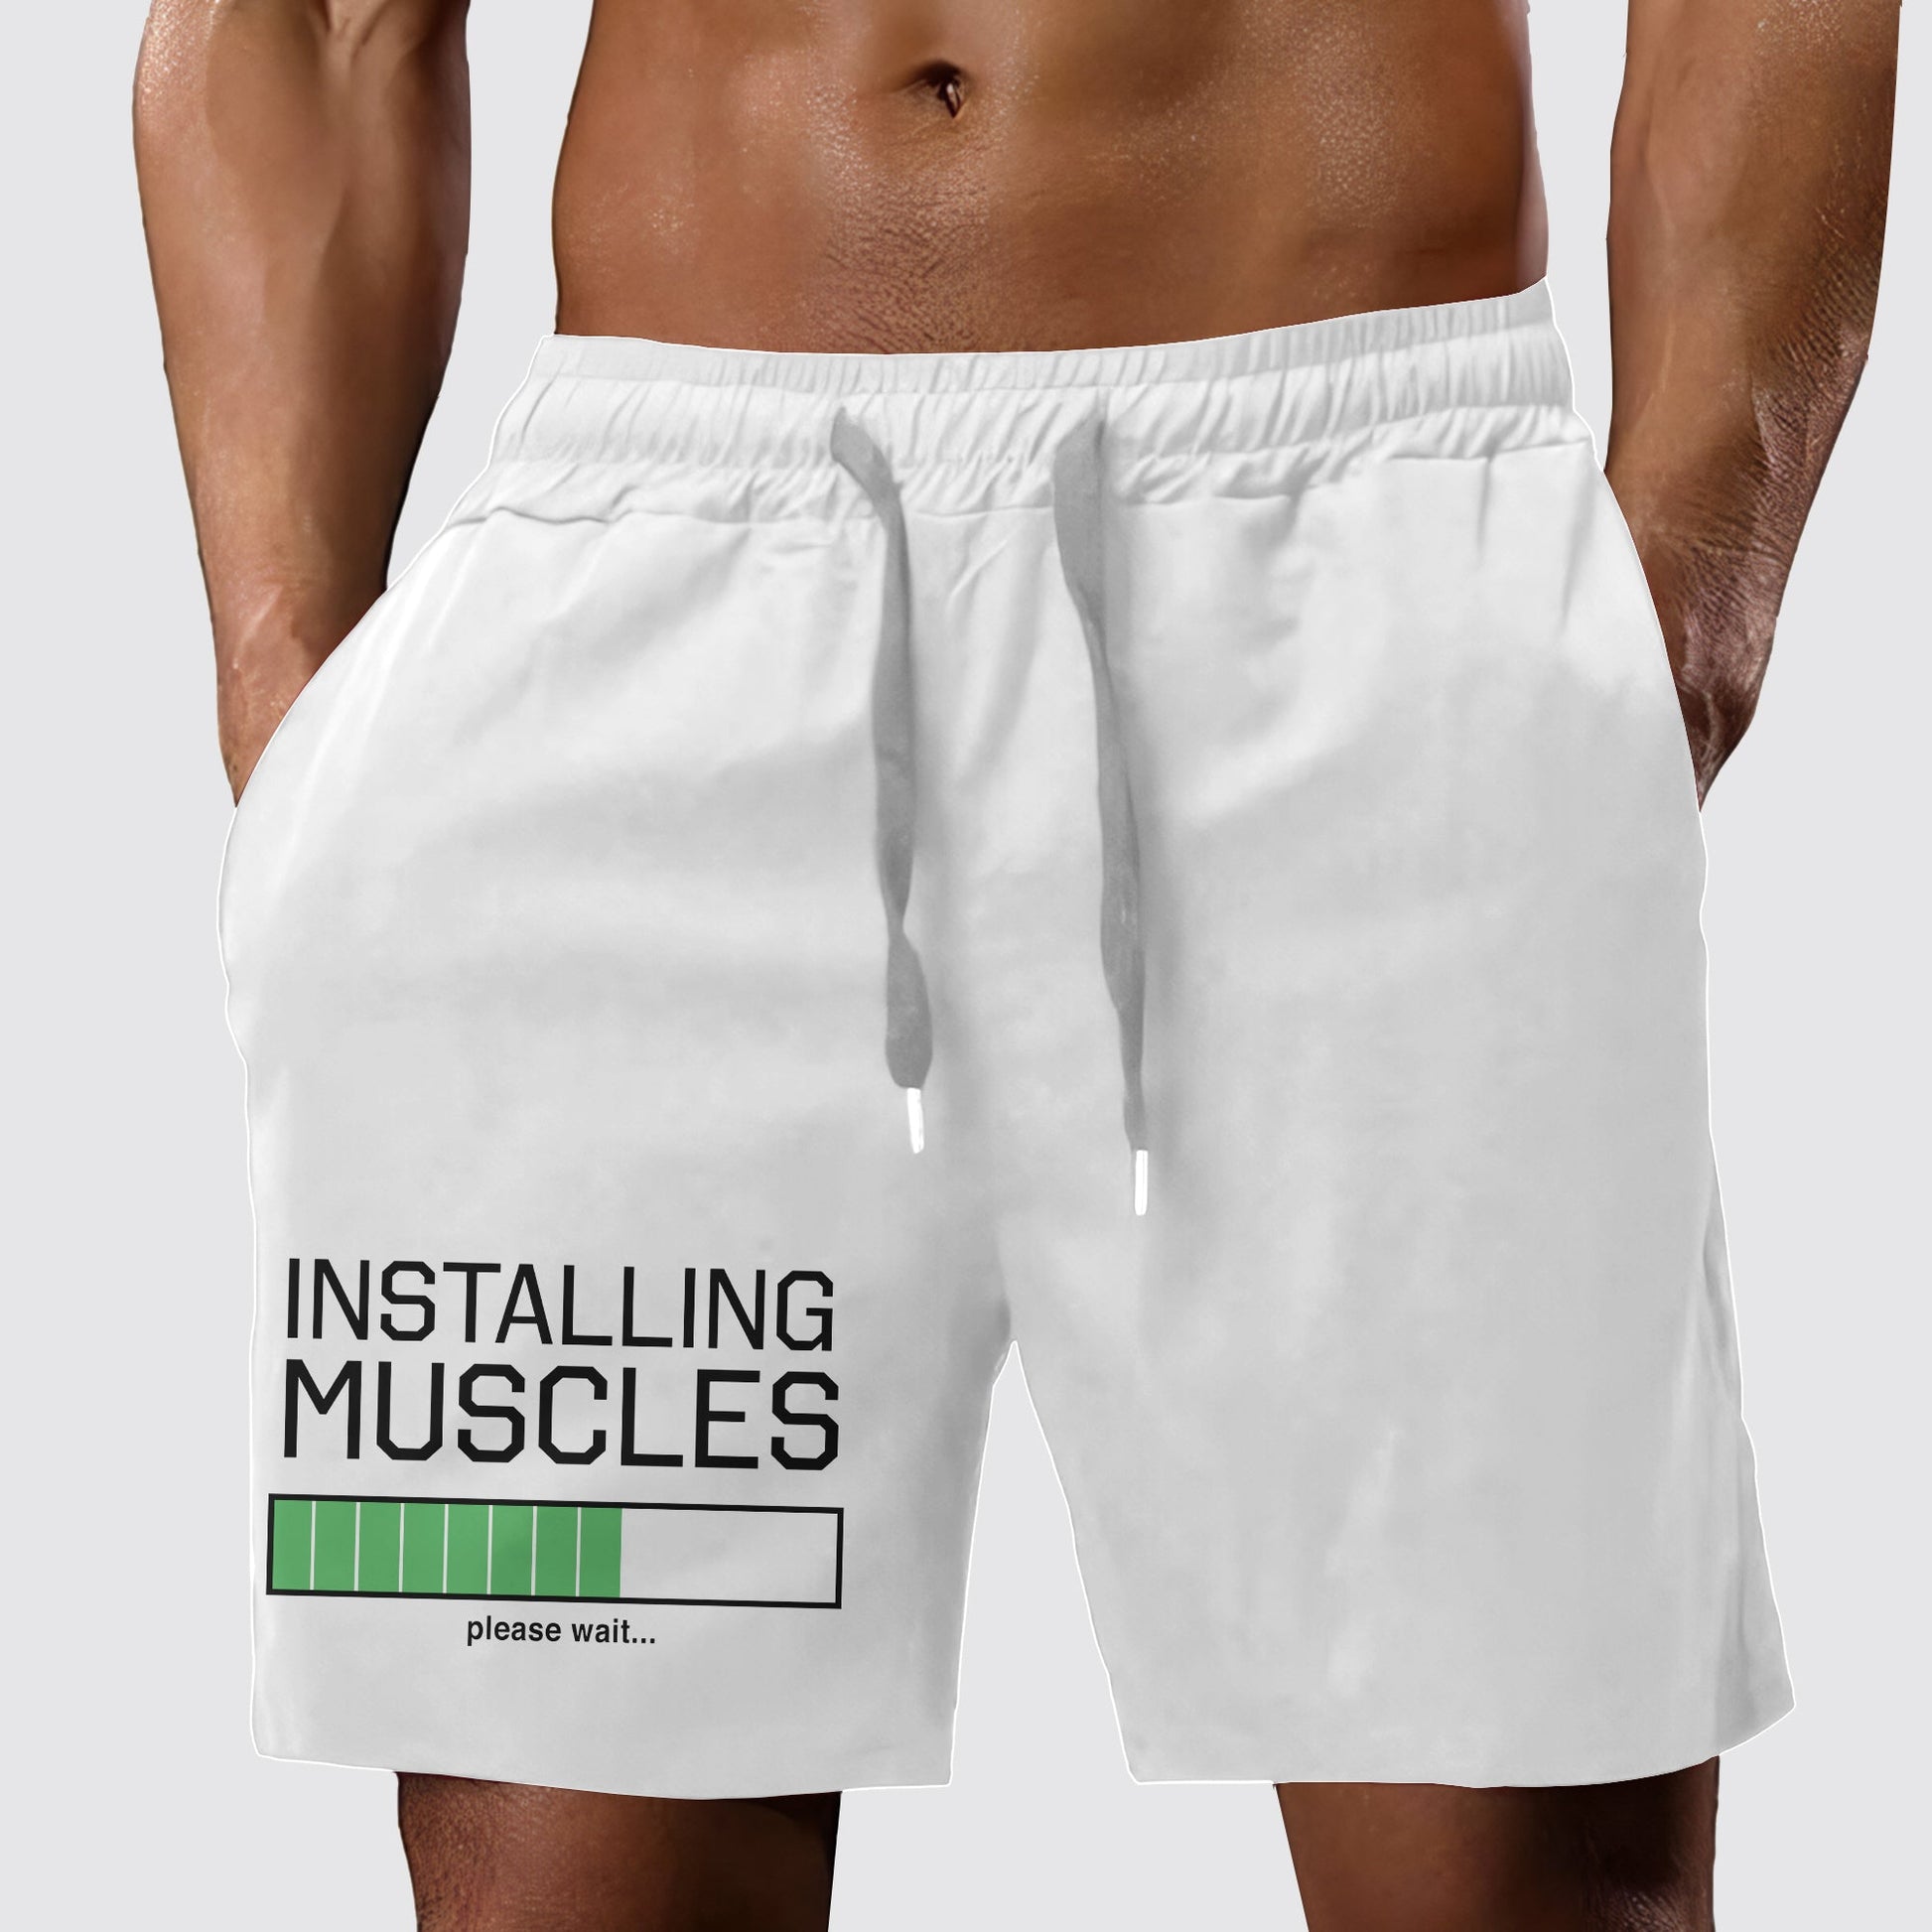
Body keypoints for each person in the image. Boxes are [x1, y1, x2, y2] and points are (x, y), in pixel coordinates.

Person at [133, 3, 1897, 1928]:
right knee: (564, 1881)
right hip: (629, 625)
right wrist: (290, 713)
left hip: (1357, 568)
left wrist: (1678, 619)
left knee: (1515, 1867)